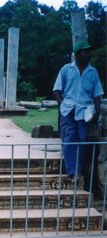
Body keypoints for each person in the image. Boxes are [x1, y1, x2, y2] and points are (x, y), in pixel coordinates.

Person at [53, 40, 104, 182]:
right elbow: (57, 90)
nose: (88, 54)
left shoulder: (92, 72)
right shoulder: (66, 69)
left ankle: (77, 170)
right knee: (69, 139)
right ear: (77, 54)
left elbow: (97, 93)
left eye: (89, 51)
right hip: (68, 110)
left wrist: (98, 112)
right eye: (85, 52)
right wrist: (62, 105)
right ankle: (72, 172)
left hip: (84, 112)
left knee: (82, 140)